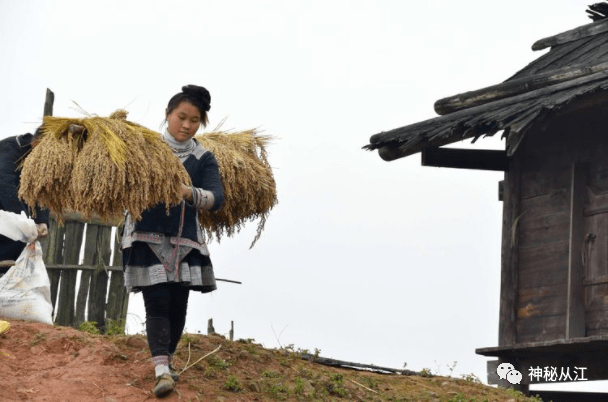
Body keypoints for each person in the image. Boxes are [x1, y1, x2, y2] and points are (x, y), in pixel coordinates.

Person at [121, 85, 224, 398]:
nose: (186, 125)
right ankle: (161, 371)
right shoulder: (145, 148)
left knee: (179, 306)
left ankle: (167, 359)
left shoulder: (203, 157)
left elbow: (216, 198)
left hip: (186, 242)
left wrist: (188, 193)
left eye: (194, 120)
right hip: (145, 235)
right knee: (158, 301)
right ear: (168, 114)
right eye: (181, 117)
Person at [0, 128, 49, 275]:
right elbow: (4, 184)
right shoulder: (10, 149)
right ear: (36, 142)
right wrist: (25, 219)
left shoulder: (40, 160)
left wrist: (42, 220)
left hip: (12, 214)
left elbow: (41, 190)